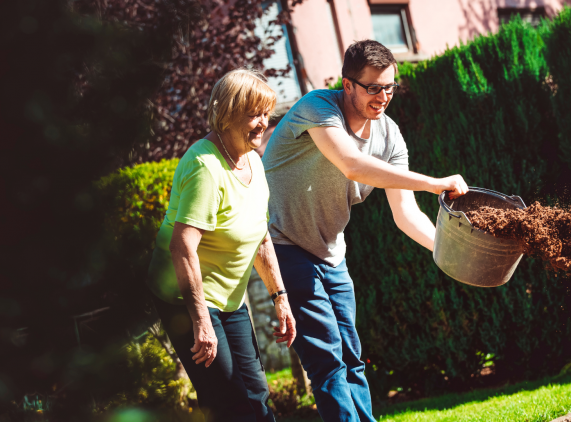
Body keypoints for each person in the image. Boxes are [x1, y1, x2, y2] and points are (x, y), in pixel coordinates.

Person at [261, 40, 468, 422]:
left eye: (389, 87)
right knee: (326, 357)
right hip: (283, 243)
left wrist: (452, 253)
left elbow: (405, 213)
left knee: (352, 356)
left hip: (330, 251)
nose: (383, 96)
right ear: (348, 84)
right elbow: (352, 165)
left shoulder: (388, 135)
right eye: (373, 87)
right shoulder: (318, 108)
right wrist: (434, 182)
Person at [147, 68, 296, 422]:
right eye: (253, 114)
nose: (262, 123)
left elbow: (259, 235)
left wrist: (280, 297)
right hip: (187, 298)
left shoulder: (253, 162)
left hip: (228, 297)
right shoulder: (204, 167)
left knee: (256, 396)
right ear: (227, 114)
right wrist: (200, 322)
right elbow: (182, 247)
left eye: (265, 113)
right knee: (227, 400)